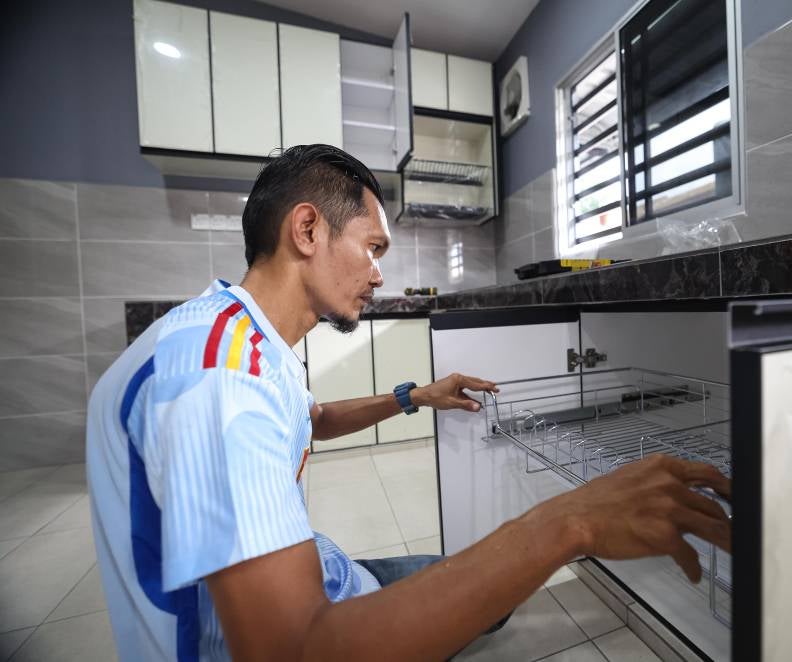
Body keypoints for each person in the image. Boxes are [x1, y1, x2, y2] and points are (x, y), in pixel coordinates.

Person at [86, 144, 732, 661]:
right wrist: (569, 522)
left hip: (324, 571)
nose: (378, 274)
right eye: (372, 249)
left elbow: (312, 421)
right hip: (279, 634)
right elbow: (294, 649)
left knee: (492, 600)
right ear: (306, 229)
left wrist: (414, 396)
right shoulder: (219, 378)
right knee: (492, 587)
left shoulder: (238, 335)